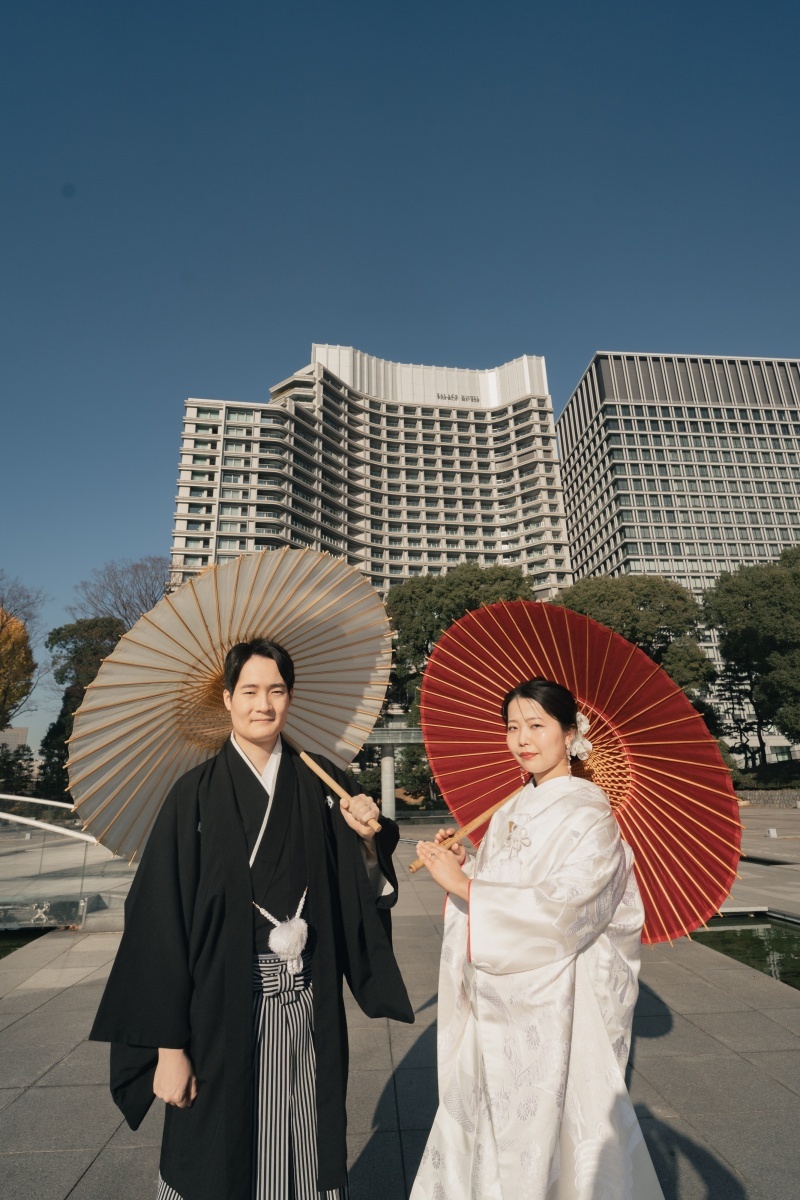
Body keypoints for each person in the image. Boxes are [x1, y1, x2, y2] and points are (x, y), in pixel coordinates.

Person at [90, 637, 413, 1200]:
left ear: (291, 697)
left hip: (307, 1001)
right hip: (217, 1007)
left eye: (277, 691)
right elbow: (158, 924)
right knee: (217, 1145)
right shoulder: (193, 795)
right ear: (227, 698)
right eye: (250, 691)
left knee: (305, 1138)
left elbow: (359, 892)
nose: (263, 704)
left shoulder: (325, 784)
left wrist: (367, 839)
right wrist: (169, 1049)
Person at [411, 677, 664, 1200]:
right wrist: (467, 864)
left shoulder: (590, 814)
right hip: (498, 993)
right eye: (512, 727)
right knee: (490, 1123)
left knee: (549, 1132)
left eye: (536, 725)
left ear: (570, 733)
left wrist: (466, 888)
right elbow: (504, 880)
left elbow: (567, 908)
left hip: (554, 1001)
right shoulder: (510, 807)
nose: (522, 739)